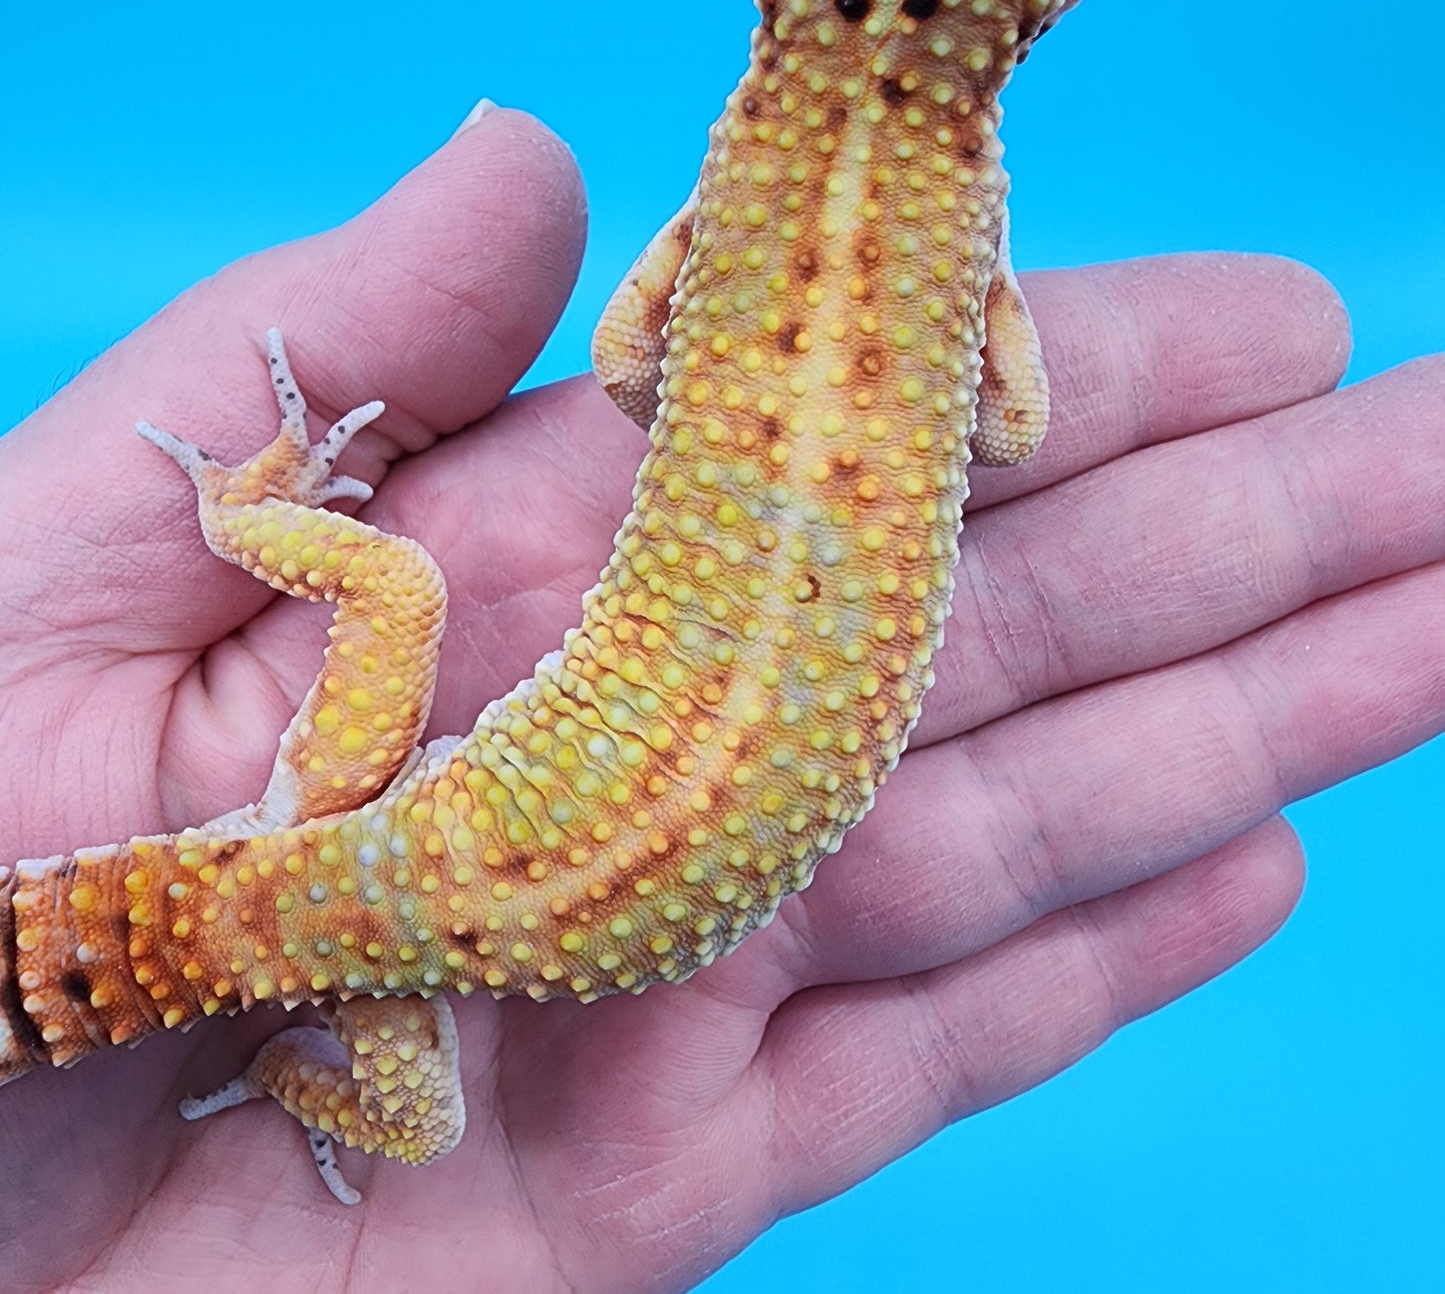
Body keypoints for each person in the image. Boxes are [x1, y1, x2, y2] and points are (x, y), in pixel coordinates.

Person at [1, 107, 1440, 1291]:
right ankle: (270, 1070)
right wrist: (283, 1058)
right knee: (426, 1116)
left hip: (351, 833)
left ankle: (245, 511)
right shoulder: (958, 395)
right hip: (364, 882)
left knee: (402, 603)